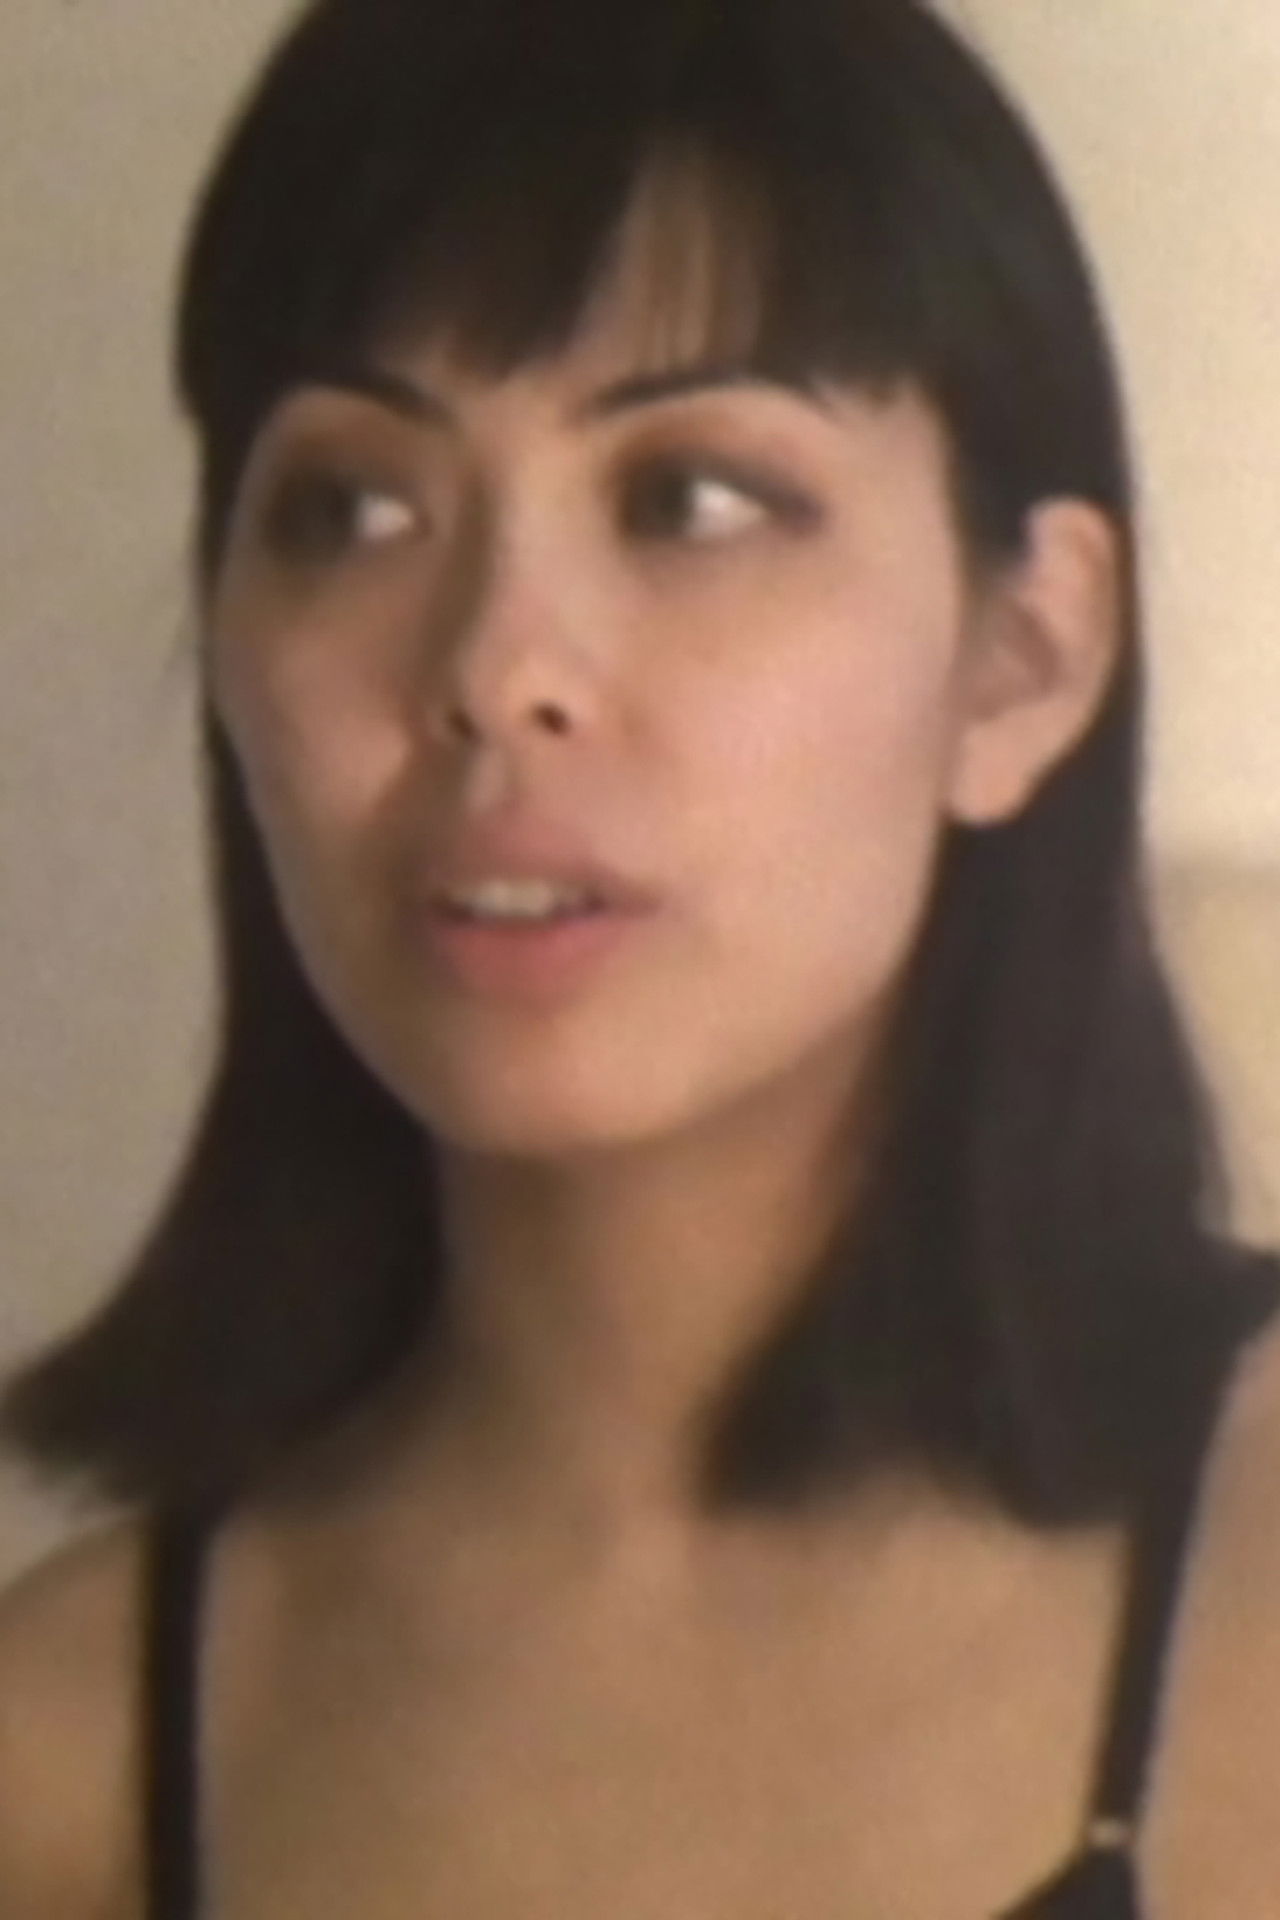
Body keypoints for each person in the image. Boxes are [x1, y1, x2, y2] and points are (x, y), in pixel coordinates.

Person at [1, 0, 1278, 1912]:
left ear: (1025, 656)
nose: (495, 669)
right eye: (352, 507)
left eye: (690, 499)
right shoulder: (70, 1752)